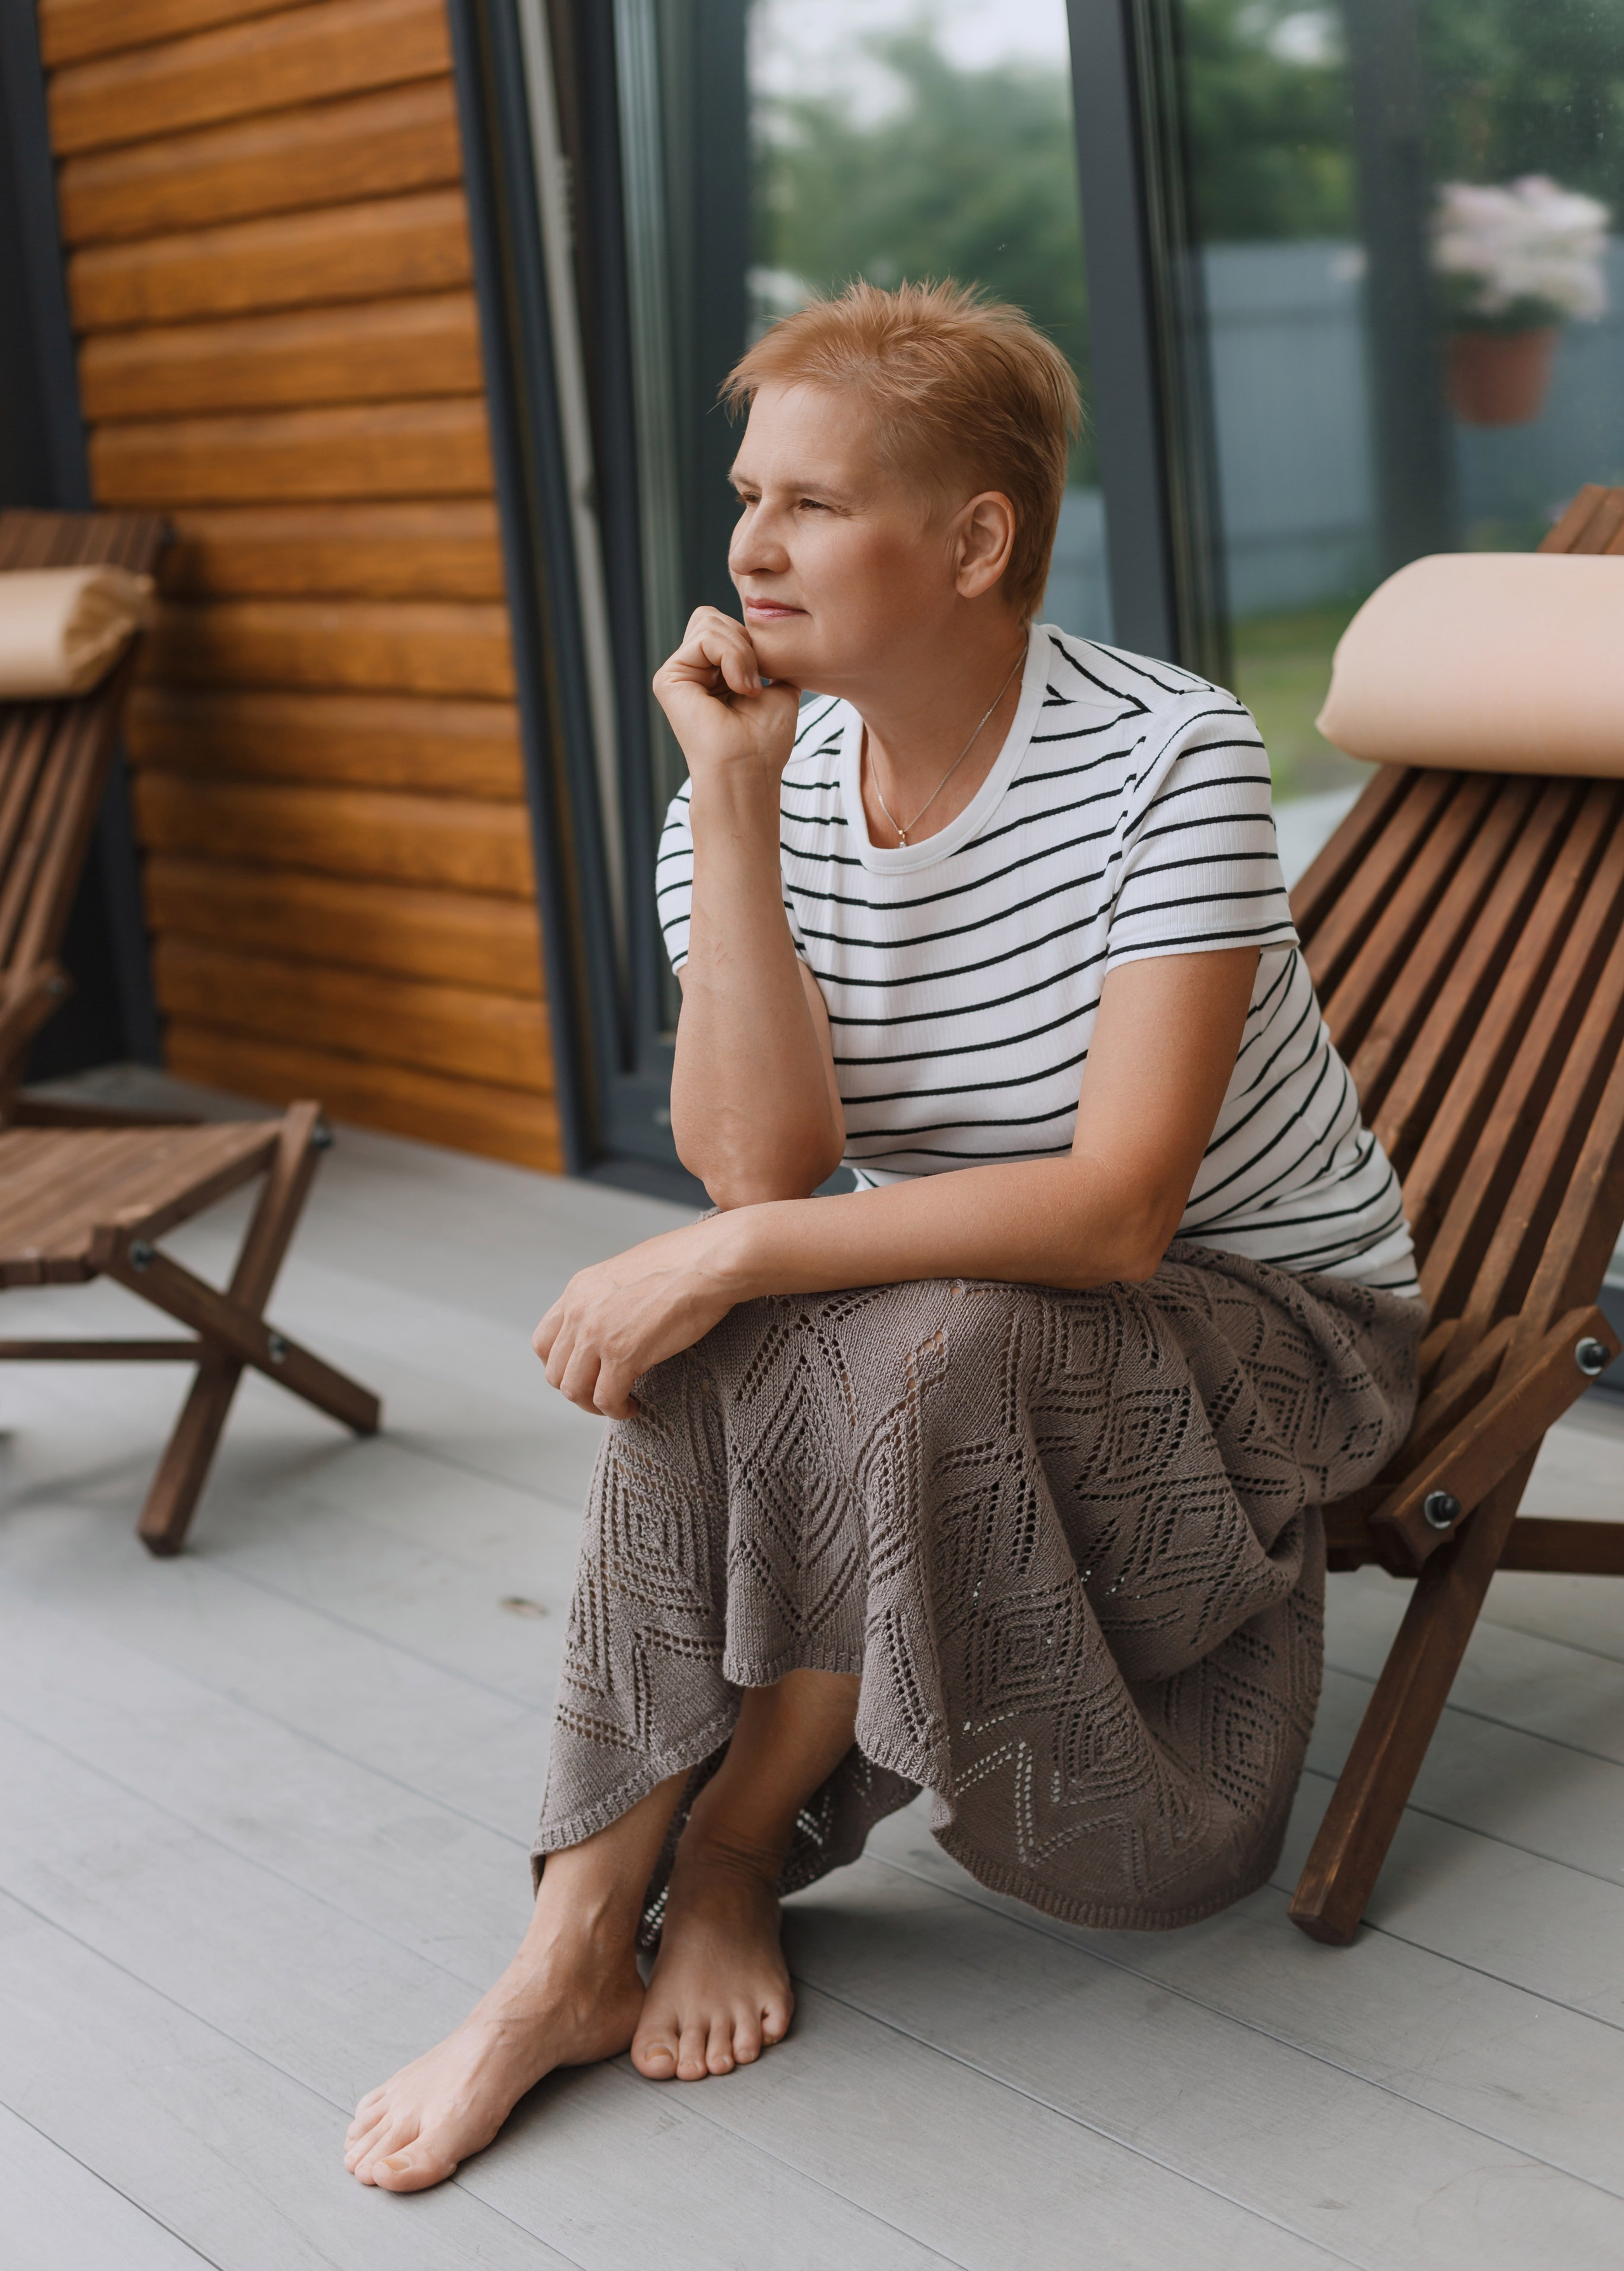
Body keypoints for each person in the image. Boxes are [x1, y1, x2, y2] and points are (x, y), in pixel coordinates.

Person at [344, 280, 1422, 2192]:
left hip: (1268, 1318)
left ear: (978, 537)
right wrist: (741, 808)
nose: (751, 547)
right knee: (781, 1321)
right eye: (746, 494)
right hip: (959, 1290)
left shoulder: (1168, 756)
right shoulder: (743, 780)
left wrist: (735, 1258)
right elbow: (762, 1169)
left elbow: (1116, 1214)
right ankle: (571, 1947)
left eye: (813, 503)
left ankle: (741, 1849)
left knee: (885, 1332)